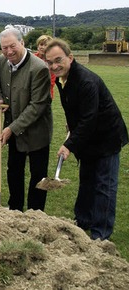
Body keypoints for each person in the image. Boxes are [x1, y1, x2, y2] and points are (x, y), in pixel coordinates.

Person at [45, 38, 128, 240]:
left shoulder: (86, 81)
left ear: (70, 58)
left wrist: (69, 145)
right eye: (50, 62)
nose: (54, 66)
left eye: (58, 60)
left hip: (106, 138)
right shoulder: (65, 78)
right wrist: (72, 127)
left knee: (104, 187)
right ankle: (82, 222)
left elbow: (89, 119)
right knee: (87, 182)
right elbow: (77, 112)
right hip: (88, 139)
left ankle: (100, 234)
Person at [0, 28, 53, 212]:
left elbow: (37, 105)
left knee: (38, 176)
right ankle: (15, 210)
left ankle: (36, 214)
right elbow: (0, 87)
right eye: (5, 48)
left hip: (37, 133)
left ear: (22, 43)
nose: (9, 51)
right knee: (14, 172)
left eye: (13, 46)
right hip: (14, 132)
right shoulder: (2, 61)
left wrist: (12, 128)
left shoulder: (39, 68)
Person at [34, 35, 56, 99]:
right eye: (41, 44)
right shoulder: (32, 58)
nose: (42, 47)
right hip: (32, 92)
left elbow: (52, 80)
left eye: (45, 45)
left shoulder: (52, 61)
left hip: (47, 93)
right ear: (38, 46)